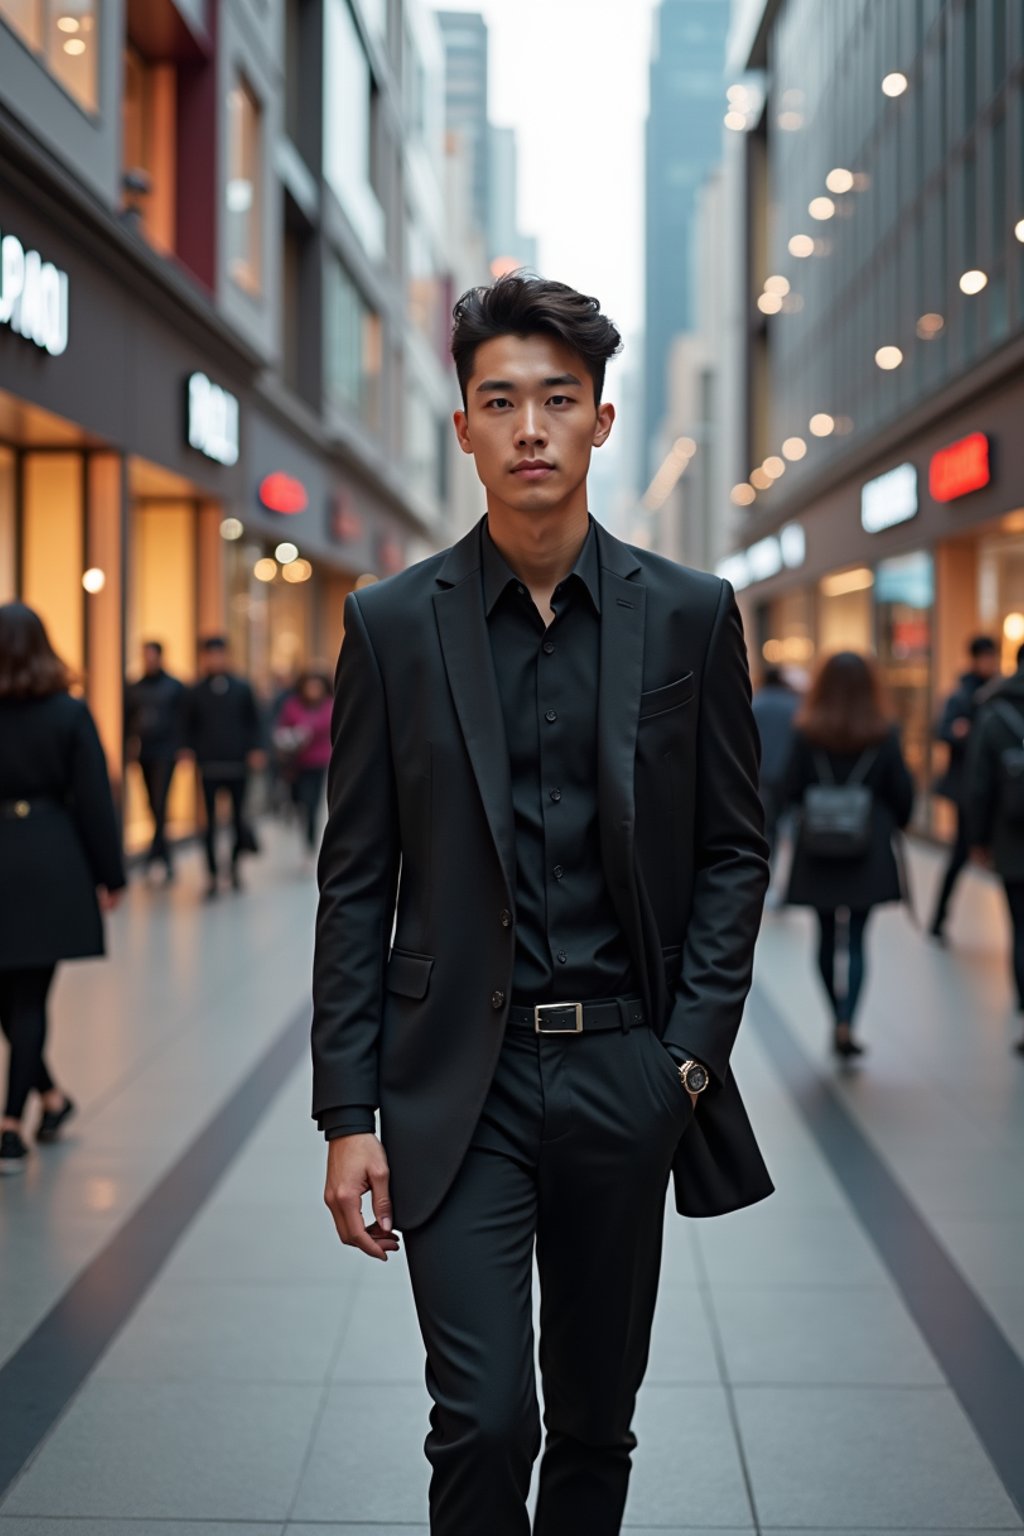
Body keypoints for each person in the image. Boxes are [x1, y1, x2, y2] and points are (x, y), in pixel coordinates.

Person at [312, 273, 771, 1536]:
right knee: (483, 1419)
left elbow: (736, 849)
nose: (529, 428)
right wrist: (346, 1112)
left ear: (600, 423)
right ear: (459, 424)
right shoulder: (392, 624)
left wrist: (686, 1060)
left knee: (591, 1421)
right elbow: (355, 879)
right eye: (499, 400)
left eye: (556, 401)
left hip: (628, 1069)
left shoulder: (687, 615)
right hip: (454, 1080)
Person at [0, 602, 125, 1175]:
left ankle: (20, 1115)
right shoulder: (68, 713)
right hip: (50, 856)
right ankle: (33, 1108)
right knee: (27, 997)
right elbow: (94, 798)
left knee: (12, 997)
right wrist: (110, 874)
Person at [785, 652, 914, 1059]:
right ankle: (847, 1020)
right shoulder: (884, 732)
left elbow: (787, 787)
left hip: (818, 847)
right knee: (858, 938)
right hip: (867, 846)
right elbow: (903, 794)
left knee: (825, 936)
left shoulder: (806, 732)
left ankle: (834, 1015)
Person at [965, 641, 1024, 1055]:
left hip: (1014, 838)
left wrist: (979, 840)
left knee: (1021, 929)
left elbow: (979, 785)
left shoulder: (995, 712)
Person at [929, 635, 1000, 941]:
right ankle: (939, 917)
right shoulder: (961, 694)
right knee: (961, 852)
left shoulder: (1000, 691)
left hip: (996, 785)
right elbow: (943, 730)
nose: (991, 663)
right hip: (967, 786)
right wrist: (960, 733)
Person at [181, 637, 264, 899]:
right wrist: (186, 749)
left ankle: (235, 867)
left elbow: (255, 721)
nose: (215, 660)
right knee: (209, 824)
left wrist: (256, 750)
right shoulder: (195, 691)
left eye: (219, 654)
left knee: (239, 818)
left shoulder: (242, 687)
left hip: (238, 763)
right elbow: (186, 724)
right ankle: (212, 874)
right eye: (210, 655)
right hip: (208, 764)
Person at [124, 640, 185, 881]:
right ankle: (162, 852)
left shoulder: (174, 687)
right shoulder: (135, 687)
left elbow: (182, 719)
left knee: (160, 801)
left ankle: (156, 853)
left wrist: (182, 747)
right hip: (145, 751)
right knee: (151, 802)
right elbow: (128, 719)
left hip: (166, 751)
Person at [273, 669, 332, 855]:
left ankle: (310, 843)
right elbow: (281, 726)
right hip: (296, 762)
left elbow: (326, 724)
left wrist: (306, 730)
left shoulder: (329, 705)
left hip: (318, 761)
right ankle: (300, 822)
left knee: (312, 803)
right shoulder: (292, 705)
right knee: (298, 800)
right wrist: (289, 738)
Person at [752, 664, 800, 856]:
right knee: (787, 818)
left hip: (762, 770)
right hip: (787, 769)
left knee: (766, 821)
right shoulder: (793, 705)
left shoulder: (756, 703)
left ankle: (768, 861)